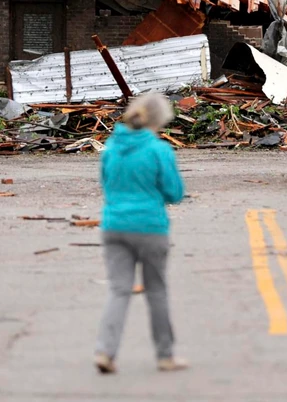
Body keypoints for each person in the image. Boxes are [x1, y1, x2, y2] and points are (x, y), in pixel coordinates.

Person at [94, 93, 187, 374]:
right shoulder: (159, 151)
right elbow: (175, 192)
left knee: (118, 290)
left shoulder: (110, 148)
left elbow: (105, 183)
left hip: (114, 225)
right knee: (156, 291)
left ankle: (105, 351)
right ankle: (165, 356)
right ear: (159, 121)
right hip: (150, 227)